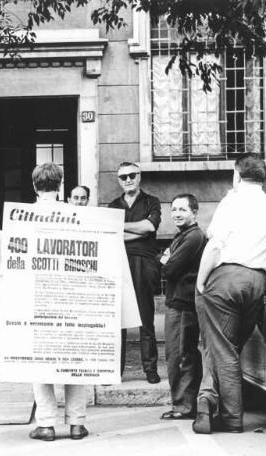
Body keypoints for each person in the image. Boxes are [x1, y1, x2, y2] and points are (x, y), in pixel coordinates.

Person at [192, 153, 266, 434]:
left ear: (237, 174)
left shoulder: (232, 201)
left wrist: (201, 280)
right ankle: (206, 401)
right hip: (256, 281)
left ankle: (230, 417)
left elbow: (216, 244)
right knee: (228, 347)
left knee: (222, 350)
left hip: (226, 278)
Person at [28, 163, 89, 442]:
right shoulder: (75, 214)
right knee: (74, 359)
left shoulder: (24, 216)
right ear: (61, 185)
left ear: (34, 186)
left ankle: (46, 425)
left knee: (41, 362)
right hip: (71, 296)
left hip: (39, 297)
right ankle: (77, 423)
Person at [108, 162, 162, 384]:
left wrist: (121, 227)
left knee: (145, 318)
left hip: (143, 263)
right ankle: (115, 371)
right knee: (117, 320)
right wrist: (137, 231)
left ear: (139, 177)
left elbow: (150, 228)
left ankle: (150, 369)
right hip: (118, 262)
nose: (128, 180)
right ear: (119, 180)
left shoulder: (152, 201)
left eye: (132, 175)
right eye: (123, 177)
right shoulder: (112, 206)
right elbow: (111, 234)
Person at [159, 194, 206, 420]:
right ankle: (183, 404)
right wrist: (167, 259)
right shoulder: (183, 236)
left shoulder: (193, 237)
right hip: (178, 302)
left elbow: (169, 269)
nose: (177, 214)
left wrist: (167, 259)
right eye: (174, 209)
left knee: (180, 355)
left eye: (182, 210)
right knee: (180, 354)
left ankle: (184, 407)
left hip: (183, 304)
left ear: (194, 213)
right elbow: (166, 261)